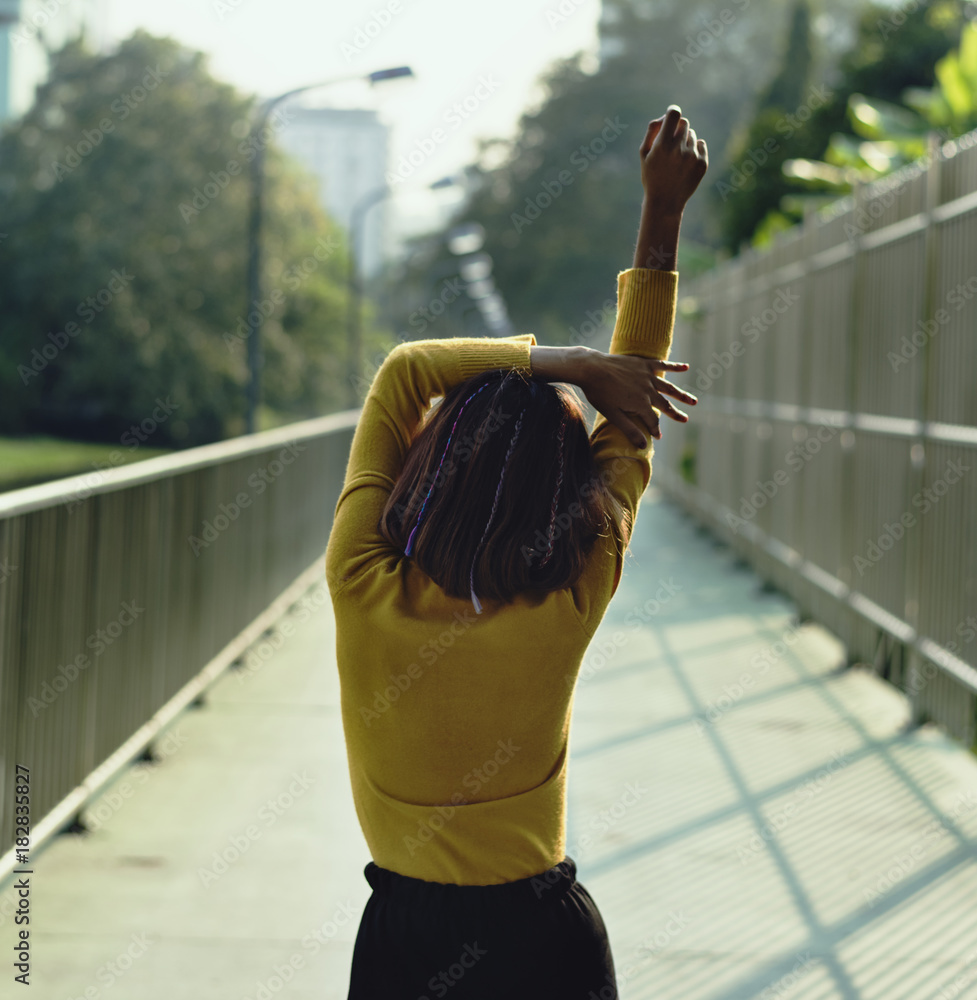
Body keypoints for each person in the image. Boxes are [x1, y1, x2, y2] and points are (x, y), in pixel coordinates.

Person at [325, 104, 708, 999]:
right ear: (561, 491)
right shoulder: (568, 595)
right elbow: (634, 429)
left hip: (401, 946)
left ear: (428, 465)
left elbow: (404, 373)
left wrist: (566, 362)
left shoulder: (360, 582)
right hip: (547, 944)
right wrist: (661, 217)